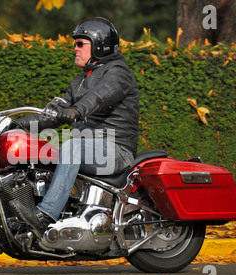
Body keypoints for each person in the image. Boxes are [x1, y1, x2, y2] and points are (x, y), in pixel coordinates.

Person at [10, 17, 139, 238]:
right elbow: (52, 116)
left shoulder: (118, 73)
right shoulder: (79, 81)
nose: (75, 49)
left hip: (116, 149)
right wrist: (16, 124)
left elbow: (101, 95)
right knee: (37, 153)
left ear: (99, 45)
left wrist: (77, 110)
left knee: (73, 147)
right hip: (90, 147)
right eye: (75, 44)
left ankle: (45, 216)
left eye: (81, 43)